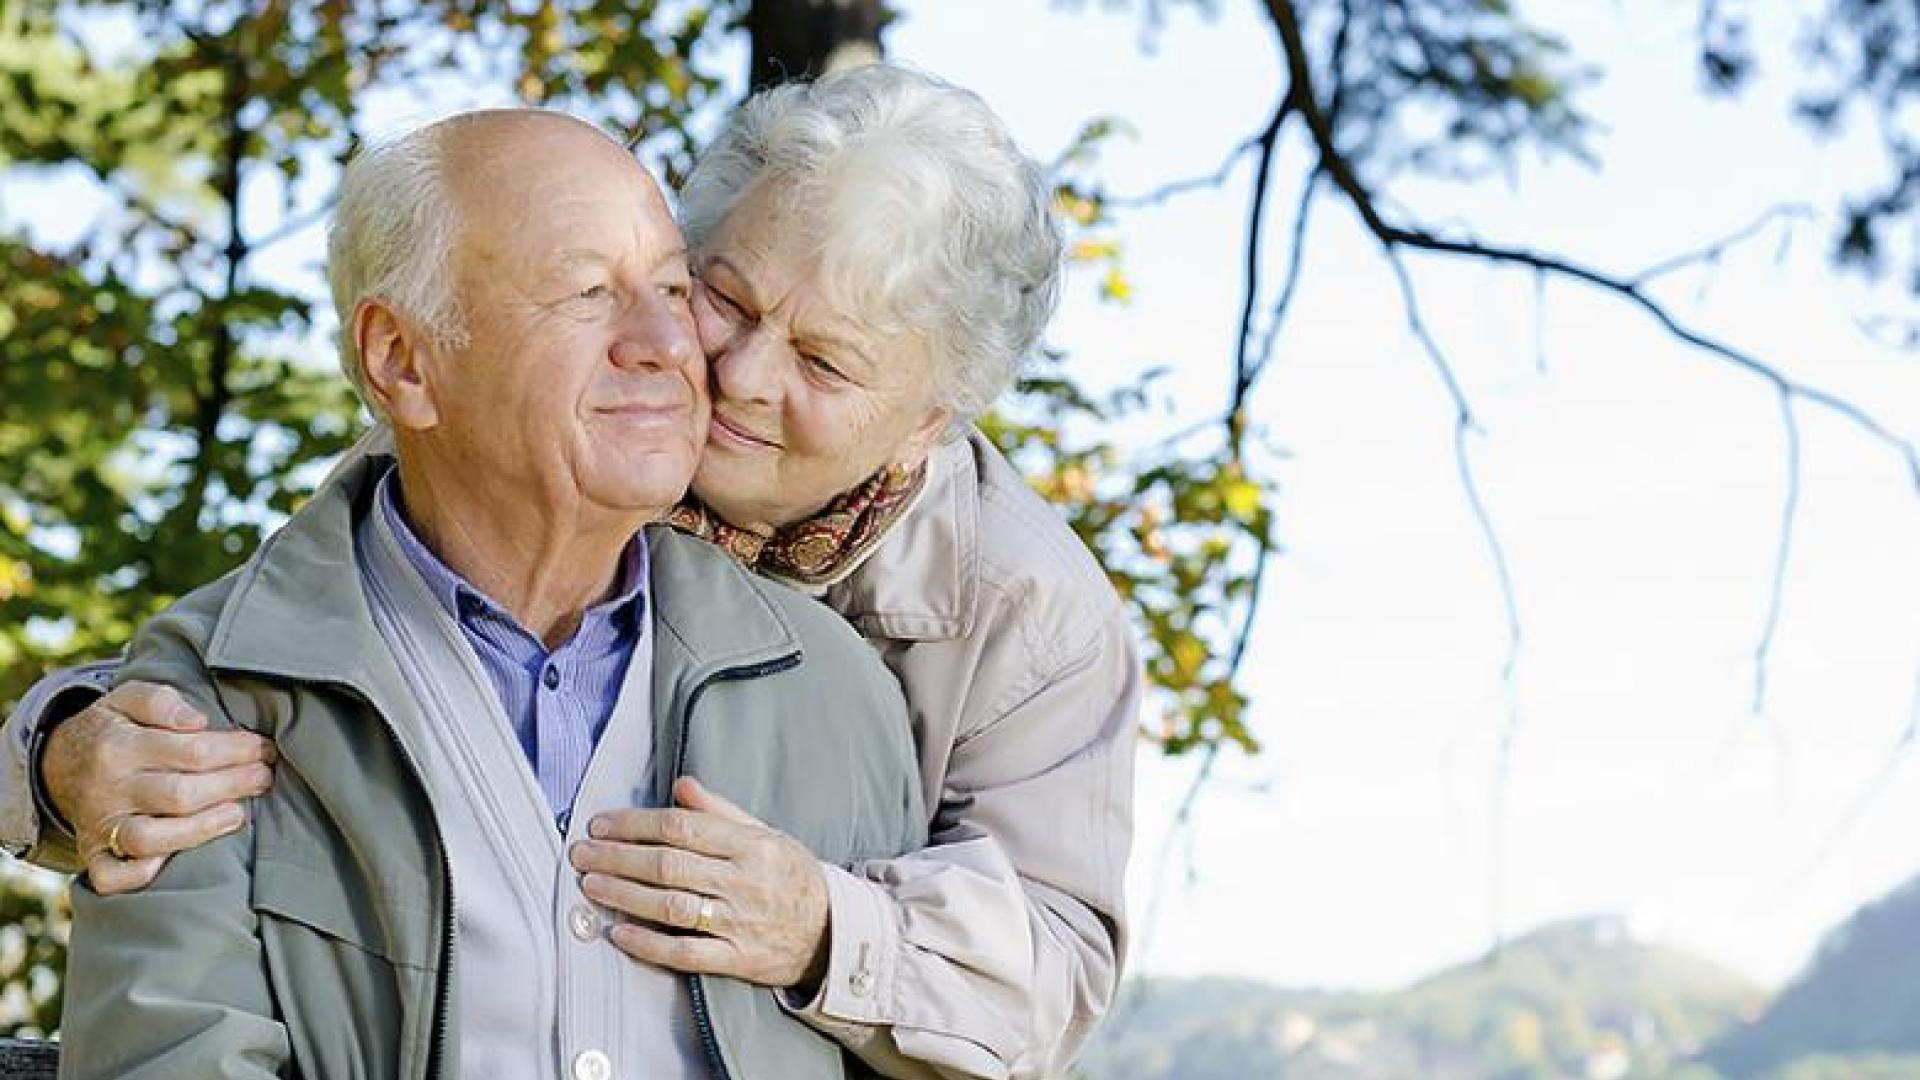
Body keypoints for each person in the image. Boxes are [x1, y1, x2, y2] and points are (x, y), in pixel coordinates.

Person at [7, 65, 1139, 1079]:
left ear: (925, 424)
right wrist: (59, 758)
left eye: (824, 361)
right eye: (725, 298)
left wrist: (824, 928)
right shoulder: (541, 412)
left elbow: (1054, 980)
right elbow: (296, 659)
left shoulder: (1019, 615)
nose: (733, 373)